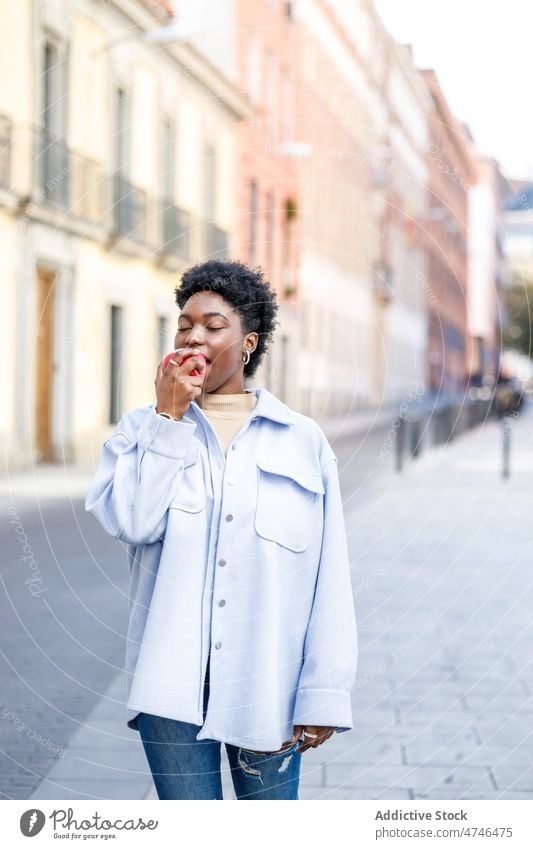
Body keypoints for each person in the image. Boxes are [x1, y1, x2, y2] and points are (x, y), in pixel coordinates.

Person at [86, 259, 358, 800]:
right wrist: (167, 419)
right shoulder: (140, 430)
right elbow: (133, 523)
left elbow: (329, 580)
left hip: (269, 683)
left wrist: (323, 694)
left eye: (213, 326)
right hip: (171, 683)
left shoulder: (301, 441)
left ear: (249, 342)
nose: (194, 336)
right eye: (185, 324)